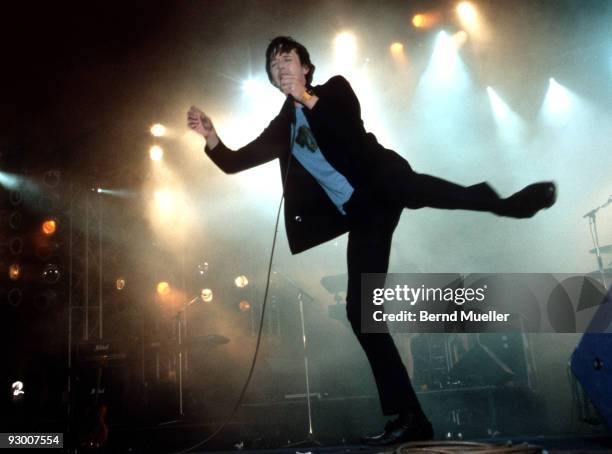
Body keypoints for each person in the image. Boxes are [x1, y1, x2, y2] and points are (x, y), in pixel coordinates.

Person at [187, 36, 556, 446]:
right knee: (361, 312)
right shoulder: (283, 125)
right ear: (273, 79)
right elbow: (237, 161)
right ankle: (411, 416)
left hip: (383, 179)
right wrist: (212, 137)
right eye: (274, 65)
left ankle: (511, 205)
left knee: (435, 193)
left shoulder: (335, 90)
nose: (281, 67)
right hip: (363, 211)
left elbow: (347, 132)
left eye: (287, 59)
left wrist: (307, 98)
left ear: (305, 67)